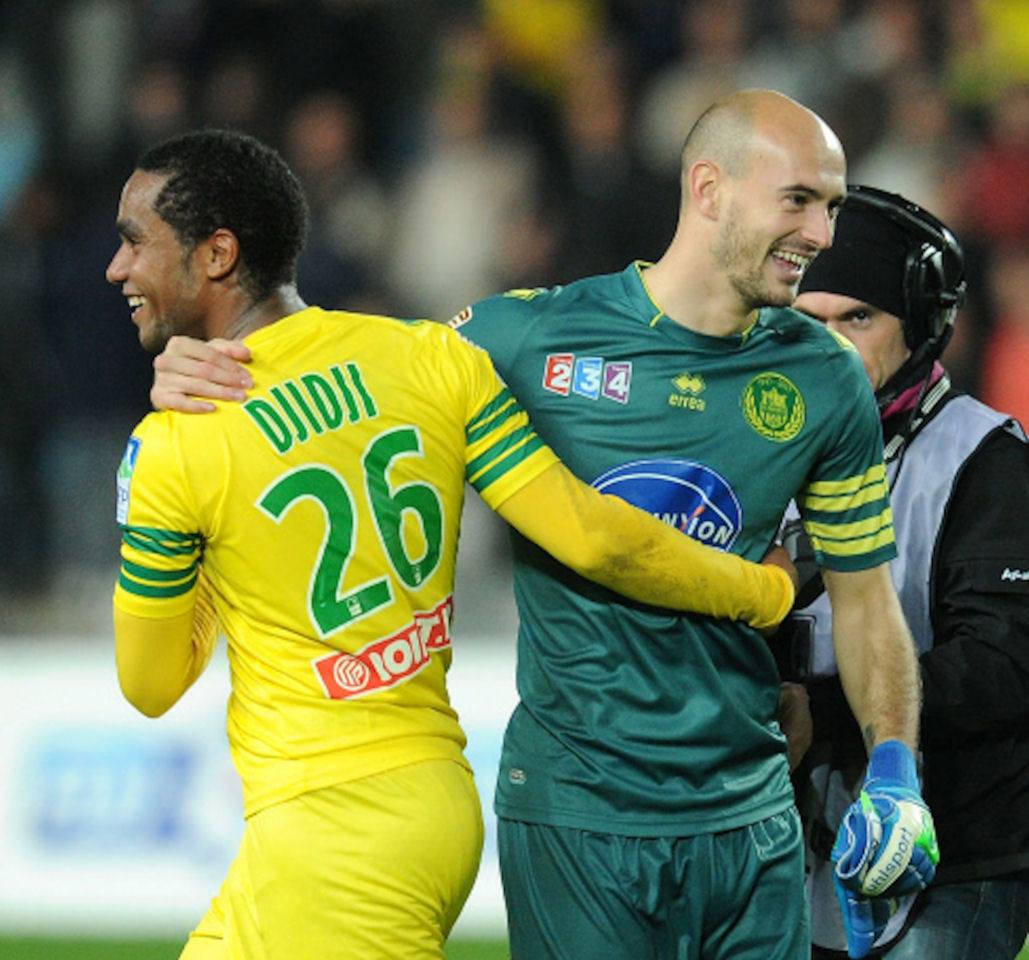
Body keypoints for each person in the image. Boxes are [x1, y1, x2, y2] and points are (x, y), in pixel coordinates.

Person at [148, 91, 938, 960]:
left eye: (830, 205)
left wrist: (893, 768)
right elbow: (359, 388)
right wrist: (219, 361)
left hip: (751, 820)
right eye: (798, 200)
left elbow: (865, 599)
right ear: (708, 189)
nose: (821, 234)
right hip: (578, 816)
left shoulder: (822, 375)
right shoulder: (527, 336)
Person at [782, 185, 1029, 958]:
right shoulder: (765, 448)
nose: (828, 346)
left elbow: (1001, 664)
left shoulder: (988, 462)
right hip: (791, 849)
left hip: (951, 860)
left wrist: (816, 712)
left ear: (922, 326)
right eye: (809, 320)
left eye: (857, 319)